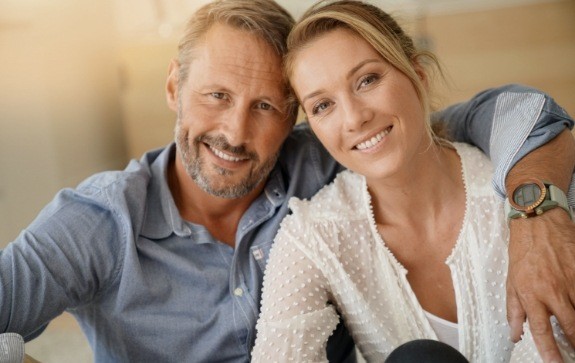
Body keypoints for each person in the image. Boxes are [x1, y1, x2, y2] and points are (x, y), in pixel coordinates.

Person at [0, 0, 573, 362]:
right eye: (216, 96)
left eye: (266, 106)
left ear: (294, 117)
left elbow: (507, 117)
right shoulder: (98, 222)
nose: (234, 131)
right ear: (175, 88)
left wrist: (537, 208)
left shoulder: (333, 152)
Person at [251, 1, 575, 362]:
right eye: (323, 106)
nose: (355, 118)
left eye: (368, 80)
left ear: (417, 75)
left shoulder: (523, 196)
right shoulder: (313, 236)